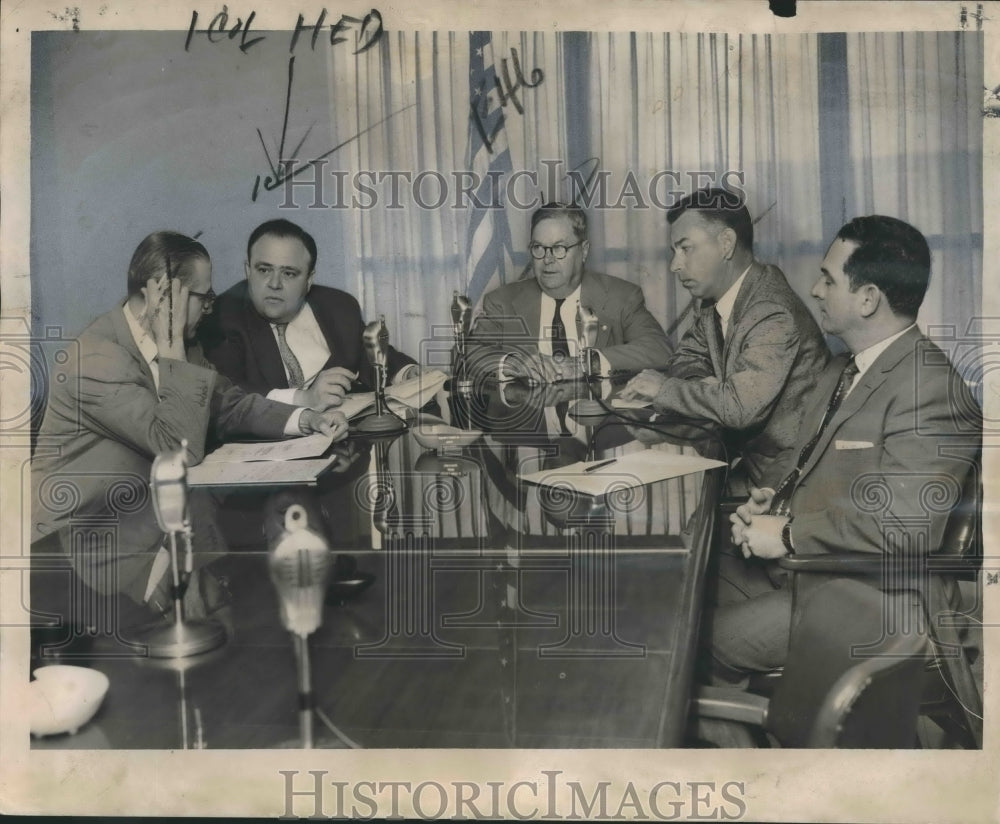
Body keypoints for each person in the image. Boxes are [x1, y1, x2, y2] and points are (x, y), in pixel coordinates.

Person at [711, 215, 980, 680]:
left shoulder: (930, 388)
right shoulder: (842, 369)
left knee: (697, 636)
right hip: (813, 574)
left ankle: (745, 737)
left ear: (869, 298)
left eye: (828, 279)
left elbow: (907, 528)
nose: (815, 291)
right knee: (675, 588)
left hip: (880, 605)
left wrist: (789, 533)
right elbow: (808, 463)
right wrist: (768, 502)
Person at [31, 231, 347, 614]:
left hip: (161, 514)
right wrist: (173, 353)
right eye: (204, 298)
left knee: (263, 579)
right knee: (234, 613)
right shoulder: (94, 359)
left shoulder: (184, 344)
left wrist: (305, 418)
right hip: (102, 543)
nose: (209, 310)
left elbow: (228, 403)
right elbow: (176, 448)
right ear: (164, 295)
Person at [619, 188, 829, 491]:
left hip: (790, 478)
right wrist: (706, 385)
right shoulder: (715, 298)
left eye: (685, 248)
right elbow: (686, 356)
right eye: (674, 251)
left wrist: (664, 389)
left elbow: (740, 408)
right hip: (747, 459)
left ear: (726, 243)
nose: (674, 265)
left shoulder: (771, 310)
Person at [199, 218, 419, 412]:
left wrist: (407, 374)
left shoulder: (339, 307)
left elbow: (372, 356)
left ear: (309, 279)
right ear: (248, 271)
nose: (274, 284)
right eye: (264, 270)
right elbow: (226, 393)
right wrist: (303, 398)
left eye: (289, 273)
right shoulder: (223, 316)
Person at [465, 202, 673, 383]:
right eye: (538, 247)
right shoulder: (502, 301)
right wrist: (513, 363)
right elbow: (471, 354)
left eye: (559, 248)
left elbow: (659, 349)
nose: (547, 259)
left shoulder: (621, 296)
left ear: (583, 251)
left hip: (599, 424)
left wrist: (587, 363)